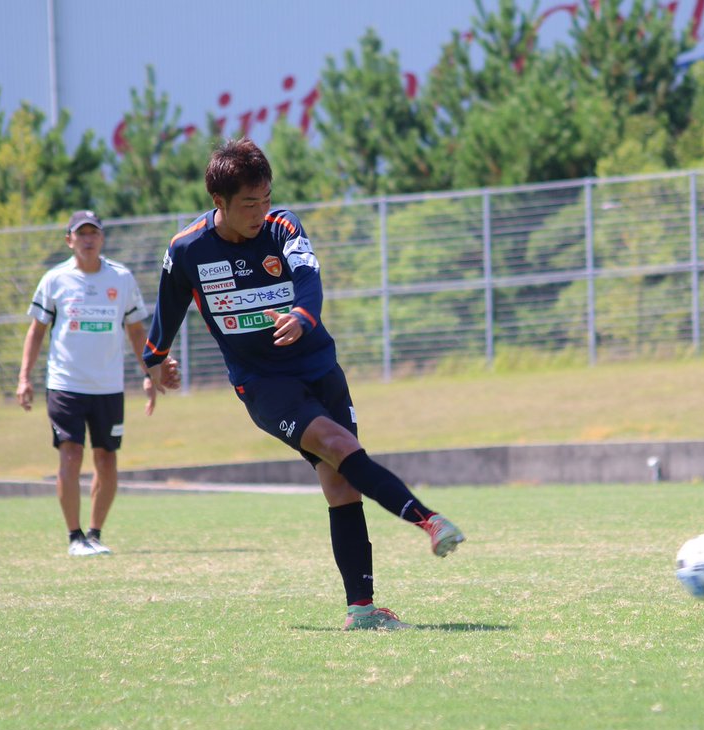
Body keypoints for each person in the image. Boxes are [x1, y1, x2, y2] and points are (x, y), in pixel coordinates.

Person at [141, 138, 465, 631]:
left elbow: (309, 278)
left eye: (266, 198)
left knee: (340, 482)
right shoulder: (187, 249)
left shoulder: (282, 226)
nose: (260, 211)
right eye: (249, 204)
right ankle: (429, 520)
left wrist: (302, 313)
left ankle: (362, 611)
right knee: (340, 445)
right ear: (219, 203)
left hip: (318, 367)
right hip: (262, 383)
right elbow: (167, 311)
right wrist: (155, 361)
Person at [18, 210, 170, 556]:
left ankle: (95, 534)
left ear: (102, 238)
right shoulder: (55, 280)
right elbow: (37, 331)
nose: (88, 239)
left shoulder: (121, 278)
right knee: (70, 455)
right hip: (65, 384)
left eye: (94, 233)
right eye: (81, 234)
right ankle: (74, 537)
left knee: (107, 459)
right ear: (69, 240)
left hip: (108, 386)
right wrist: (24, 378)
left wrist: (149, 372)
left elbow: (135, 331)